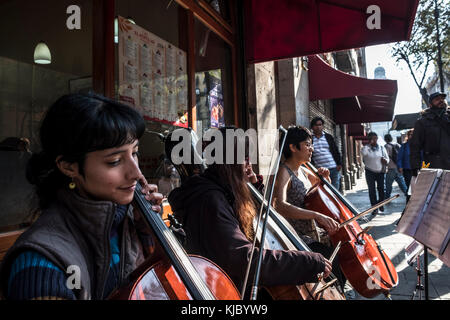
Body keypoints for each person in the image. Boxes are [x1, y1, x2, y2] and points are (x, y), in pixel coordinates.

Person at [0, 93, 163, 300]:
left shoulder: (130, 222)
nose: (136, 173)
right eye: (114, 161)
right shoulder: (40, 263)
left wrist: (148, 232)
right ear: (69, 167)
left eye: (135, 153)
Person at [168, 127, 332, 298]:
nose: (249, 165)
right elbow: (241, 258)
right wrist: (306, 262)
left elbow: (255, 223)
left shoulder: (224, 190)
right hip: (226, 290)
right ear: (228, 161)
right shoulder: (210, 200)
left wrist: (252, 189)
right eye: (245, 158)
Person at [271, 125, 346, 292]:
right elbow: (279, 205)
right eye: (307, 144)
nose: (311, 149)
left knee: (343, 257)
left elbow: (323, 191)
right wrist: (316, 215)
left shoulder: (304, 170)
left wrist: (325, 179)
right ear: (293, 147)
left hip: (317, 234)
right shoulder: (284, 172)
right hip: (300, 238)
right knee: (329, 265)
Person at [409, 91, 450, 172]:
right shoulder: (422, 122)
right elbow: (415, 146)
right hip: (436, 166)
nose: (441, 100)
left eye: (442, 98)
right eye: (437, 99)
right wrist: (415, 166)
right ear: (430, 104)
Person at [310, 117, 342, 190]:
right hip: (321, 171)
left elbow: (336, 151)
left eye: (320, 125)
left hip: (333, 169)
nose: (318, 127)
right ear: (312, 127)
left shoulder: (328, 137)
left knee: (335, 192)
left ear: (323, 126)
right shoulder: (310, 139)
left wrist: (339, 164)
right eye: (316, 125)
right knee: (324, 192)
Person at [361, 132, 389, 215]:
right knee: (371, 190)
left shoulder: (381, 148)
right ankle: (374, 207)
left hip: (380, 171)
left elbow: (387, 159)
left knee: (381, 188)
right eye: (372, 138)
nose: (374, 140)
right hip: (369, 171)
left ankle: (380, 204)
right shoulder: (365, 148)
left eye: (375, 138)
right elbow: (364, 154)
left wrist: (386, 161)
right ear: (369, 139)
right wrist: (369, 144)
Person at [383, 134, 408, 199]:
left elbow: (386, 157)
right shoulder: (398, 145)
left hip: (391, 168)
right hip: (398, 167)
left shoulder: (386, 146)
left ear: (385, 139)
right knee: (402, 183)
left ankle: (387, 198)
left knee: (388, 184)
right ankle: (407, 194)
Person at [397, 129, 415, 194]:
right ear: (408, 136)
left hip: (417, 169)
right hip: (407, 170)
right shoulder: (404, 146)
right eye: (410, 135)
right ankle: (409, 202)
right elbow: (399, 158)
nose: (412, 136)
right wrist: (400, 167)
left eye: (413, 135)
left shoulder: (419, 146)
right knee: (410, 187)